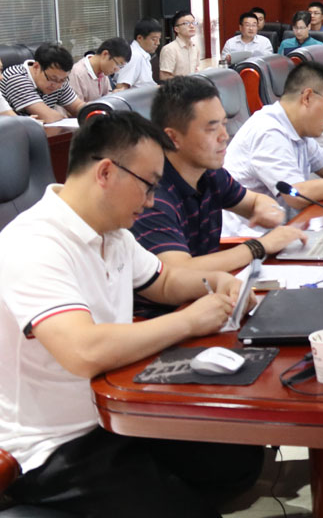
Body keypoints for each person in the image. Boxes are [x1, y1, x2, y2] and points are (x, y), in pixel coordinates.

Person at [0, 112, 263, 516]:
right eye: (148, 185)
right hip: (55, 444)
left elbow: (164, 280)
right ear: (106, 172)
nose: (152, 200)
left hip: (118, 406)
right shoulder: (32, 245)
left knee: (236, 460)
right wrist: (189, 321)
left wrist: (216, 281)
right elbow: (83, 351)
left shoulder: (113, 231)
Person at [133, 77, 305, 275]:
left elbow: (254, 202)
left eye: (224, 124)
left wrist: (266, 208)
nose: (225, 136)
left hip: (210, 287)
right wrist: (259, 246)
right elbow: (178, 271)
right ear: (173, 137)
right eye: (212, 129)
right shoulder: (151, 195)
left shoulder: (211, 174)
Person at [223, 62, 323, 217]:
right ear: (307, 97)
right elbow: (295, 194)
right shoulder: (268, 130)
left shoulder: (296, 127)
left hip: (285, 227)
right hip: (252, 235)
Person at [0, 42, 85, 120]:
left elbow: (77, 106)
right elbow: (48, 117)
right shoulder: (16, 77)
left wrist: (90, 111)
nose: (57, 85)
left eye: (63, 80)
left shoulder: (59, 79)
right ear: (36, 67)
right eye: (53, 79)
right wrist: (62, 117)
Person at [68, 37, 130, 103]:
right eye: (117, 64)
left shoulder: (103, 71)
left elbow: (106, 98)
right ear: (105, 54)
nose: (117, 70)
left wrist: (113, 95)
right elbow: (76, 107)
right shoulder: (77, 73)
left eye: (121, 67)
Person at [115, 18, 162, 90]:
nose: (158, 43)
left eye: (159, 39)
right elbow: (121, 87)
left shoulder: (142, 55)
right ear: (140, 38)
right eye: (154, 39)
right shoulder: (134, 56)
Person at [159, 10, 203, 80]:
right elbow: (164, 76)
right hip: (177, 86)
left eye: (193, 22)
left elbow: (195, 69)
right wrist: (184, 83)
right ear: (176, 29)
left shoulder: (195, 47)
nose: (192, 26)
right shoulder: (169, 49)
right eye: (186, 23)